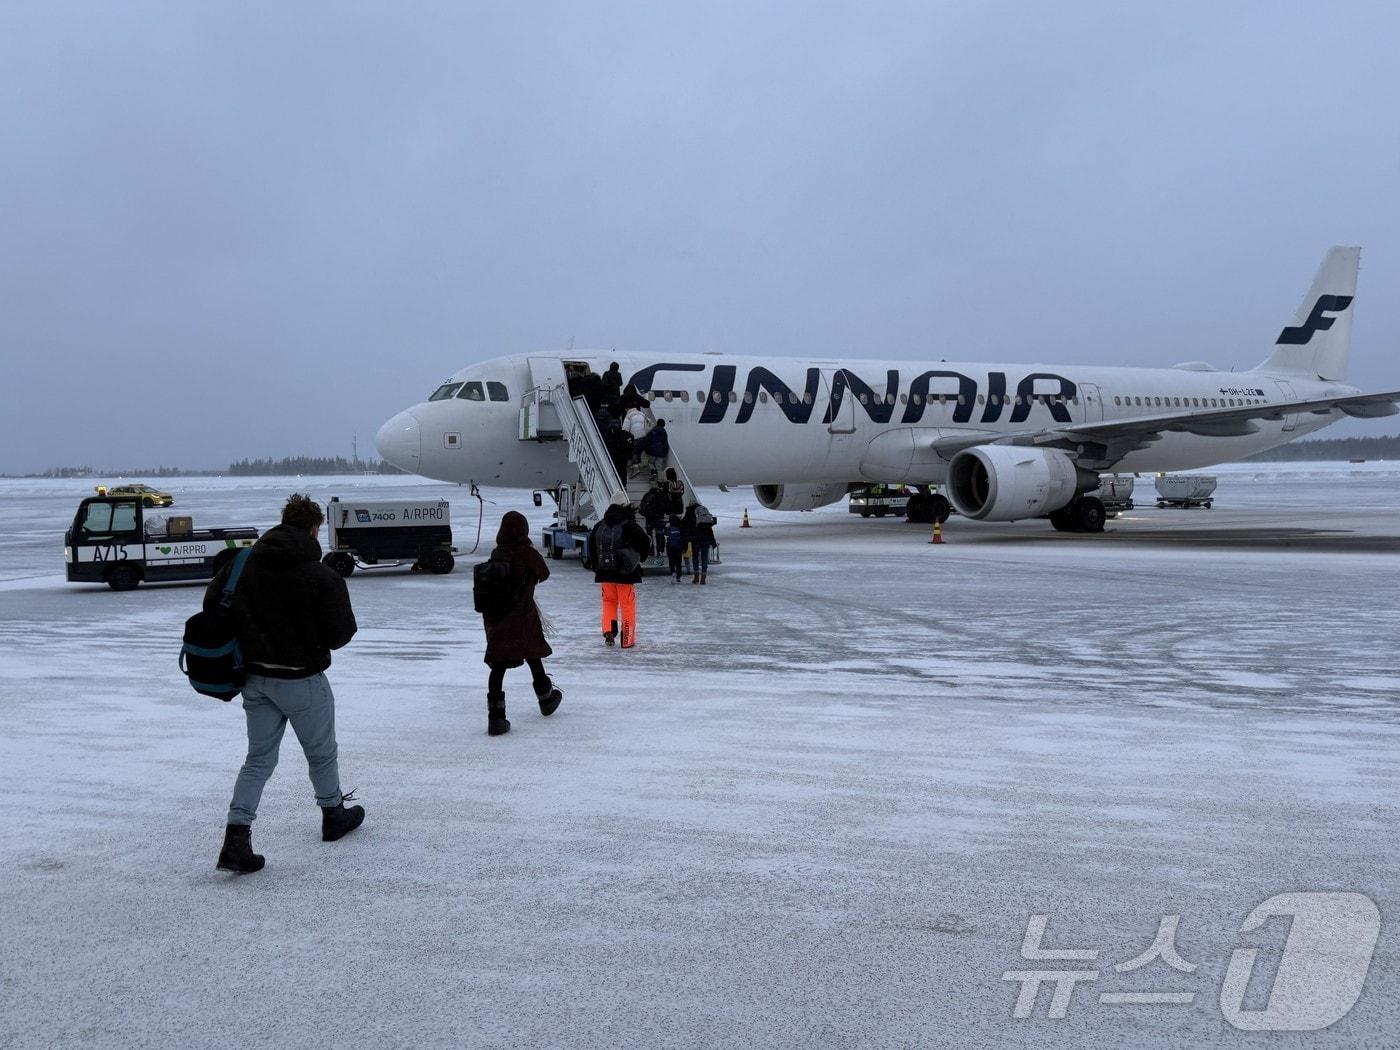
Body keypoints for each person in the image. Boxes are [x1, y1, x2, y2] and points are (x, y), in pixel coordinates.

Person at [209, 494, 362, 875]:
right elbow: (341, 634)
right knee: (321, 752)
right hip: (301, 680)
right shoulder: (319, 574)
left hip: (256, 678)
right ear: (313, 528)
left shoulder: (242, 563)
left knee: (258, 759)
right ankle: (332, 815)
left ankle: (236, 838)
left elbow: (214, 607)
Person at [481, 511, 562, 737]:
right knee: (532, 654)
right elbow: (544, 573)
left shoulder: (497, 552)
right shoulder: (527, 553)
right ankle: (546, 699)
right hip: (523, 616)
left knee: (498, 666)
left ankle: (496, 719)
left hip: (497, 619)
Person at [590, 497, 652, 648]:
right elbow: (645, 541)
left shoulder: (599, 525)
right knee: (627, 605)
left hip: (605, 573)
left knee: (608, 602)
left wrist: (596, 568)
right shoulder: (630, 525)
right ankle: (627, 639)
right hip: (626, 574)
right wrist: (641, 558)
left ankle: (609, 632)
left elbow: (591, 548)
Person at [683, 500, 718, 585]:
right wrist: (712, 541)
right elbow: (709, 527)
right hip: (706, 538)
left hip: (696, 538)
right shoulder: (703, 510)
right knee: (704, 558)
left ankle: (696, 577)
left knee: (695, 557)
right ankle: (703, 578)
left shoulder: (690, 511)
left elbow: (685, 524)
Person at [638, 481, 667, 565]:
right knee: (660, 536)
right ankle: (659, 553)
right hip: (659, 518)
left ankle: (650, 551)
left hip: (649, 519)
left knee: (649, 535)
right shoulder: (661, 495)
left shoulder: (647, 495)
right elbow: (666, 506)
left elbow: (642, 507)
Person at [664, 513, 687, 583]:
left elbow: (666, 538)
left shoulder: (668, 528)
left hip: (671, 548)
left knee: (671, 562)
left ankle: (673, 573)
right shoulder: (680, 528)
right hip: (679, 548)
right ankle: (678, 577)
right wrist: (684, 547)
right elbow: (683, 538)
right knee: (678, 563)